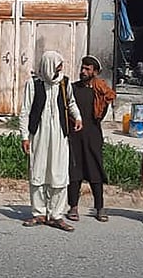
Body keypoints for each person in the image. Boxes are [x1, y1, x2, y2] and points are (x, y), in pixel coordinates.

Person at [19, 51, 83, 232]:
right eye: (57, 65)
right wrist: (24, 136)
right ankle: (38, 213)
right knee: (37, 171)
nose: (60, 68)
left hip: (59, 134)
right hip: (39, 133)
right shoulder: (33, 84)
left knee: (59, 173)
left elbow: (71, 103)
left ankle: (56, 215)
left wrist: (77, 117)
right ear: (49, 66)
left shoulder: (64, 83)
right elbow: (25, 111)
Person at [66, 55, 116, 223]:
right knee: (74, 171)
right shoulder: (72, 88)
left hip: (93, 135)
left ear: (95, 72)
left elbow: (101, 115)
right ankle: (73, 207)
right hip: (74, 135)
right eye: (82, 68)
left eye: (87, 69)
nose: (83, 71)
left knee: (95, 171)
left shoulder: (100, 92)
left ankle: (99, 207)